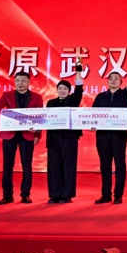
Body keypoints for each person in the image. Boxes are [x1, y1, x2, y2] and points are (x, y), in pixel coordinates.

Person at [92, 54, 127, 204]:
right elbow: (92, 114)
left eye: (116, 79)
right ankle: (105, 194)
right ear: (107, 81)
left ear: (121, 82)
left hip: (119, 135)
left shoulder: (124, 94)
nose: (113, 81)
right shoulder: (100, 97)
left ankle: (118, 194)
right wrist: (92, 124)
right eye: (111, 79)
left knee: (120, 164)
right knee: (105, 165)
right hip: (102, 135)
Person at [0, 71, 43, 205]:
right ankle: (7, 196)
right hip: (9, 134)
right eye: (17, 81)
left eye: (23, 81)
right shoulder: (7, 95)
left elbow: (40, 116)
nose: (20, 83)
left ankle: (25, 195)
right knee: (7, 166)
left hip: (27, 134)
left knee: (27, 166)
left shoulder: (37, 97)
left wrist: (37, 134)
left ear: (29, 82)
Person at [45, 65, 84, 204]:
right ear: (57, 90)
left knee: (68, 166)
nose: (62, 91)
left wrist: (78, 73)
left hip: (69, 138)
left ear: (69, 91)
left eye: (65, 89)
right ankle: (55, 195)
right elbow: (45, 118)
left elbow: (79, 89)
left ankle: (66, 195)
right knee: (54, 166)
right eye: (60, 88)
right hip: (53, 138)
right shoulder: (51, 102)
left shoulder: (73, 100)